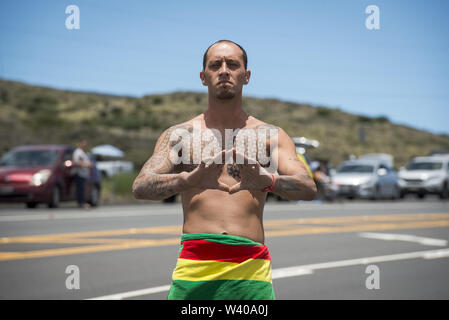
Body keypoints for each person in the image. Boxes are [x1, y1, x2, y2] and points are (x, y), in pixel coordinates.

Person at [132, 40, 317, 300]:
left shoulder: (269, 136)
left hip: (249, 268)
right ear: (203, 77)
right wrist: (187, 179)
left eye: (232, 64)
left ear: (246, 76)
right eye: (215, 65)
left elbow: (308, 187)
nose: (224, 70)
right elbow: (141, 186)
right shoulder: (181, 135)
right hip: (195, 267)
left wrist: (267, 179)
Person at [72, 139, 93, 210]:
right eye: (83, 144)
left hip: (84, 174)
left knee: (82, 189)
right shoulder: (78, 152)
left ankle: (81, 202)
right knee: (80, 189)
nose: (85, 146)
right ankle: (81, 203)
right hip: (79, 173)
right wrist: (88, 164)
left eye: (86, 144)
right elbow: (78, 162)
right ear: (80, 144)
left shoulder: (84, 153)